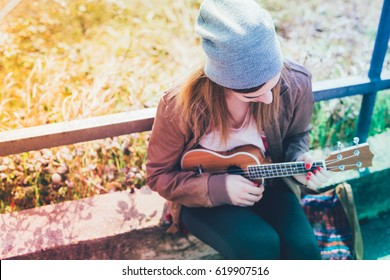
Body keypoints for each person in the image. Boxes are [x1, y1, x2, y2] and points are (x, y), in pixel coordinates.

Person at [146, 0, 332, 260]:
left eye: (273, 84)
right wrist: (219, 188)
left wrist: (298, 161)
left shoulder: (297, 81)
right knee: (259, 246)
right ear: (221, 81)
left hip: (271, 183)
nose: (268, 99)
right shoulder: (178, 105)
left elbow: (297, 136)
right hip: (201, 194)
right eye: (253, 95)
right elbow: (159, 175)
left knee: (305, 251)